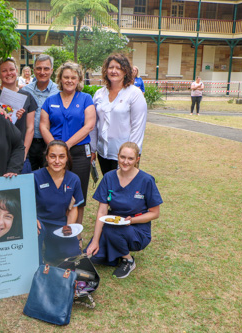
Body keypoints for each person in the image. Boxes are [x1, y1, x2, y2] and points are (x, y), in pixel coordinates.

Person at [86, 142, 163, 278]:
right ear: (117, 157)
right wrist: (95, 241)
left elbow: (155, 213)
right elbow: (102, 212)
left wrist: (131, 220)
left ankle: (128, 259)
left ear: (137, 160)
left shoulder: (146, 180)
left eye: (130, 159)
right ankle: (115, 252)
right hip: (113, 223)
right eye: (122, 157)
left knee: (110, 230)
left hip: (137, 228)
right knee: (92, 256)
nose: (125, 162)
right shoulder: (109, 177)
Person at [40, 61, 95, 225]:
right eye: (66, 77)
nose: (69, 80)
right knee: (54, 192)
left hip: (78, 153)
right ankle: (55, 229)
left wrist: (66, 145)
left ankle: (76, 234)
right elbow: (43, 125)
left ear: (79, 80)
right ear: (60, 79)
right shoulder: (50, 101)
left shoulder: (86, 99)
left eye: (73, 77)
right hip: (54, 154)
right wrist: (55, 148)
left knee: (78, 195)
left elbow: (89, 125)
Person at [90, 53, 147, 175]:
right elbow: (93, 124)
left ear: (126, 71)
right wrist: (93, 149)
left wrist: (131, 154)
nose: (114, 71)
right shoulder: (99, 94)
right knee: (109, 186)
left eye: (118, 68)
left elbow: (138, 126)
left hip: (124, 156)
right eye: (111, 67)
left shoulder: (134, 94)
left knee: (124, 188)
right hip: (103, 152)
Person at [34, 140, 84, 264]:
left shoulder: (73, 179)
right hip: (41, 222)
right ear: (46, 157)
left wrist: (68, 226)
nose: (57, 161)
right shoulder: (35, 177)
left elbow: (74, 208)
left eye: (61, 156)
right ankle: (38, 267)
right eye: (52, 156)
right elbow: (27, 204)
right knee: (37, 233)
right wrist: (32, 220)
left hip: (60, 224)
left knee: (71, 252)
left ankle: (51, 248)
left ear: (67, 158)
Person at [0, 57, 37, 173]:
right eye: (4, 70)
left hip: (18, 151)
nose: (9, 73)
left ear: (17, 71)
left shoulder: (27, 96)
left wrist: (24, 153)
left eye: (11, 69)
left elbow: (30, 128)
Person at [22, 54, 60, 171]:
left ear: (52, 70)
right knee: (30, 179)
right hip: (29, 142)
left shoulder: (59, 91)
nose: (42, 72)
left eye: (46, 68)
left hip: (50, 141)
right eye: (39, 68)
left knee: (50, 178)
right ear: (34, 70)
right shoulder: (25, 91)